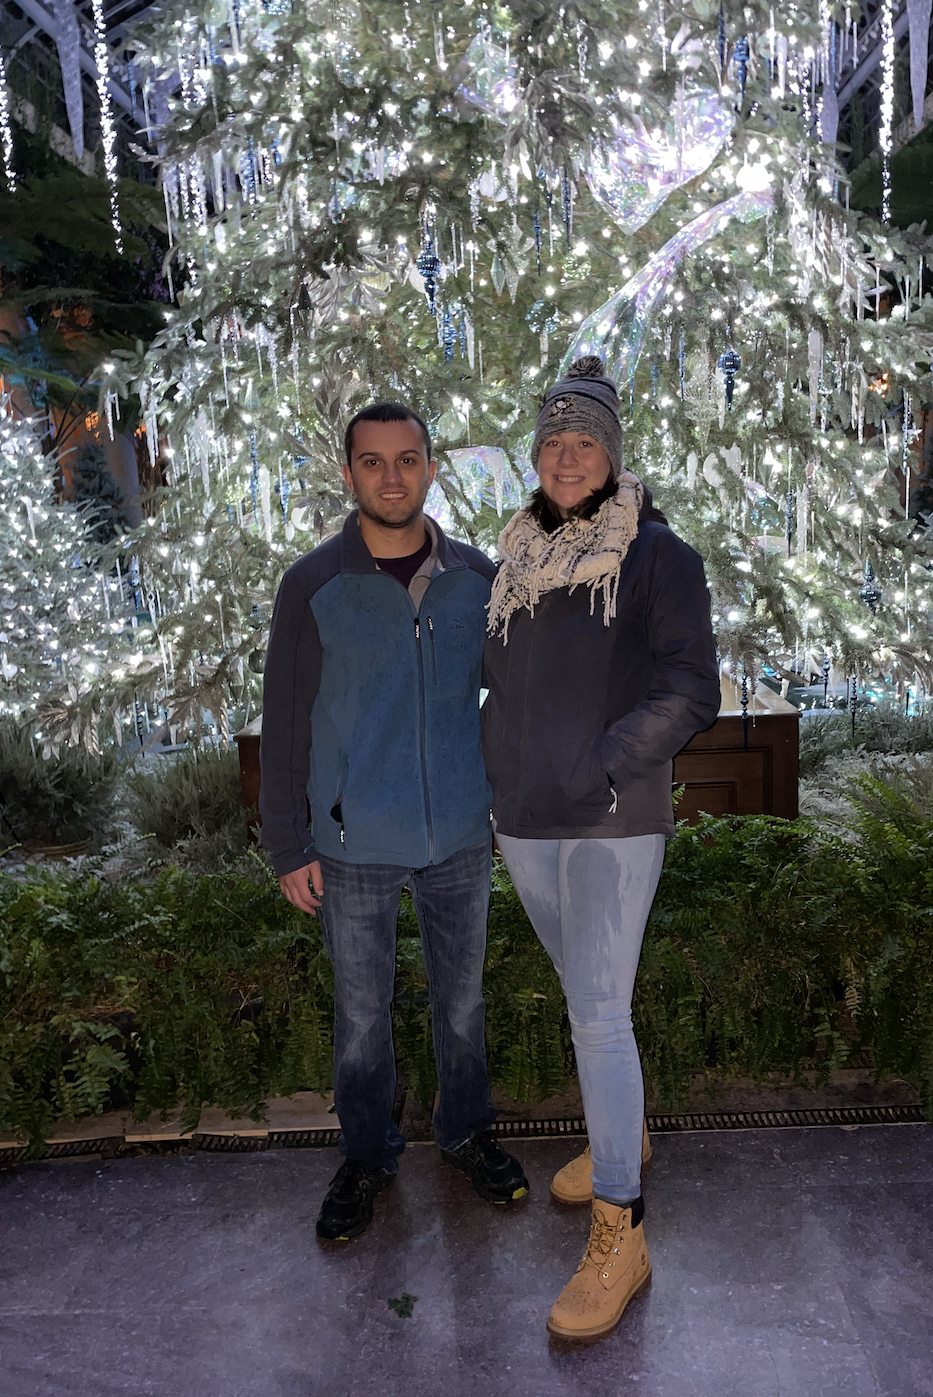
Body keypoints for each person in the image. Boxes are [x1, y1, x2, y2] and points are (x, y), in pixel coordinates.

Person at [482, 356, 720, 1339]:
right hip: (522, 818)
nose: (567, 455)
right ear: (535, 456)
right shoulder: (518, 556)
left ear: (612, 454)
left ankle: (622, 1232)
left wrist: (603, 762)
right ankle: (625, 1130)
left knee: (592, 1011)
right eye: (552, 440)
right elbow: (491, 678)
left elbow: (688, 689)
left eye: (586, 440)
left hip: (611, 817)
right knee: (593, 1003)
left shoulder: (657, 555)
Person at [260, 400, 529, 1243]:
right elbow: (286, 718)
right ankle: (367, 1154)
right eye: (372, 462)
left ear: (430, 469)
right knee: (362, 1012)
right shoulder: (313, 588)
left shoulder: (477, 580)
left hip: (454, 832)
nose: (390, 476)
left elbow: (523, 693)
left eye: (406, 460)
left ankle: (467, 1133)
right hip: (350, 842)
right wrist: (288, 841)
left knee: (461, 1003)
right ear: (349, 474)